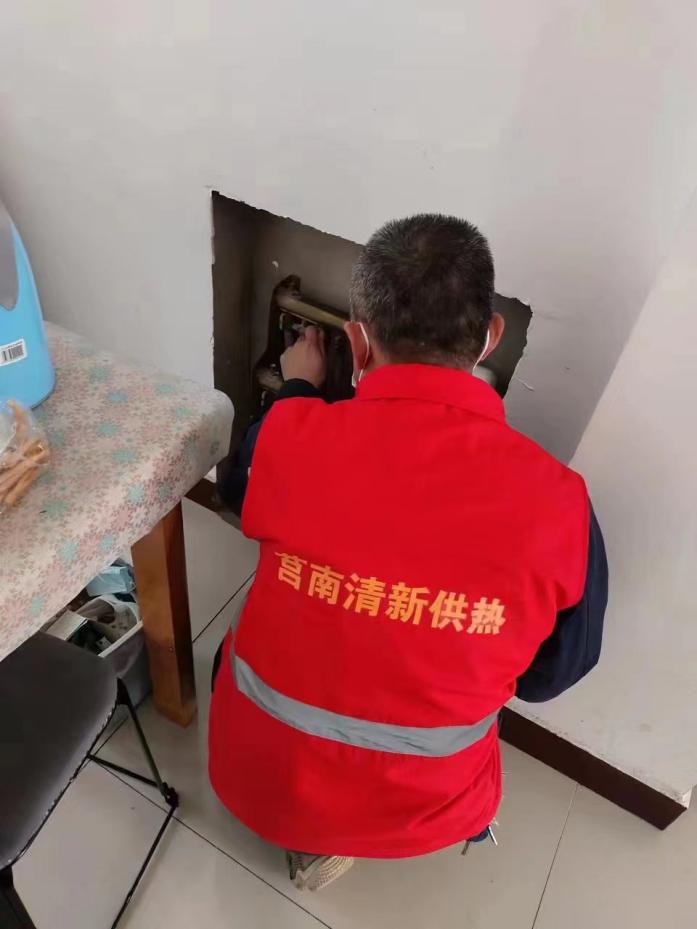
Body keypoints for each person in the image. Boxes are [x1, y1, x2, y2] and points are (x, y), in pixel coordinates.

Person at [208, 214, 608, 891]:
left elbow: (237, 496)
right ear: (489, 337)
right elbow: (548, 678)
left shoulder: (290, 435)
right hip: (425, 813)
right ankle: (342, 838)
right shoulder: (561, 504)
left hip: (247, 780)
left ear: (357, 342)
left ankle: (310, 830)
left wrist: (298, 390)